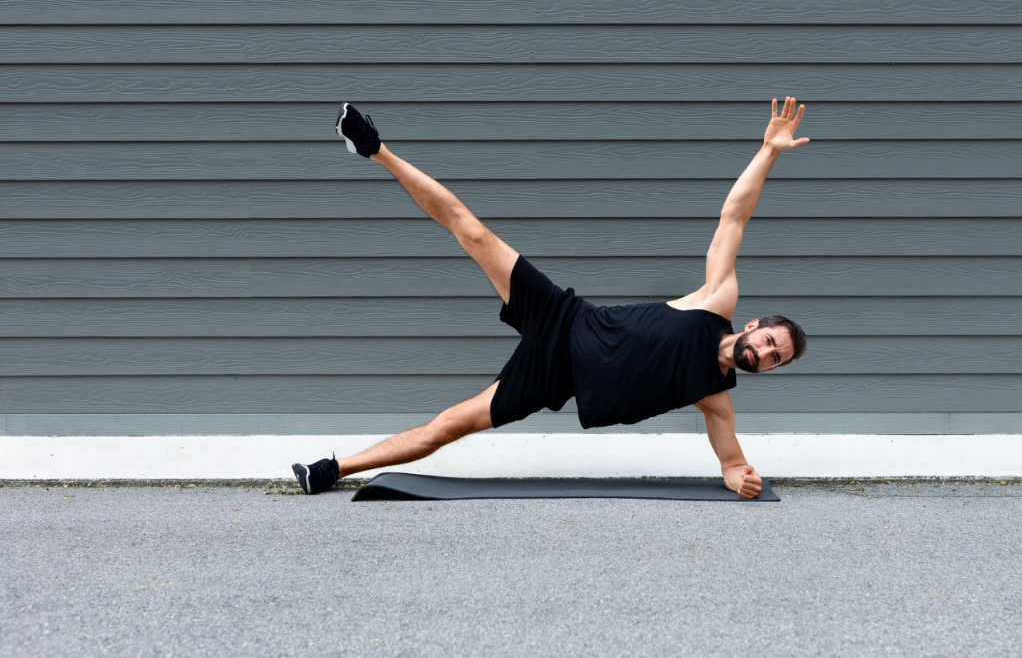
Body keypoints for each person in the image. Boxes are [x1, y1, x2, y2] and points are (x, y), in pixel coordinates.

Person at [292, 98, 810, 499]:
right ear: (753, 324)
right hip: (566, 319)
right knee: (472, 233)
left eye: (775, 359)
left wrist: (742, 479)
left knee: (445, 428)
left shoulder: (715, 399)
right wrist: (767, 152)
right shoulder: (715, 301)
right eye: (769, 341)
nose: (765, 355)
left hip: (554, 379)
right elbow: (734, 218)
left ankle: (332, 469)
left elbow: (732, 466)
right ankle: (374, 148)